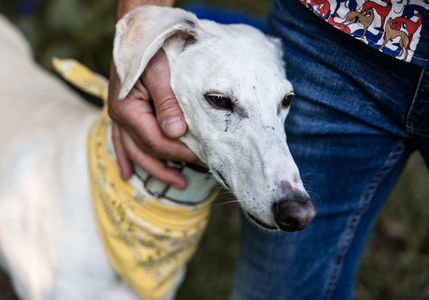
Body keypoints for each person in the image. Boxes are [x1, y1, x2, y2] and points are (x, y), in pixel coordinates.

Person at [108, 0, 429, 299]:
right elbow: (140, 29)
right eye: (221, 101)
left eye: (284, 101)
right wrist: (134, 52)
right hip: (333, 28)